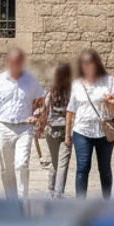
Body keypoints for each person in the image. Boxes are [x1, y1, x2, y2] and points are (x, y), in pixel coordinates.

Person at [0, 47, 45, 199]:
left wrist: (37, 115)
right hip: (4, 127)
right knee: (6, 168)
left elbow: (42, 101)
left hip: (24, 128)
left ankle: (22, 200)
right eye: (13, 62)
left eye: (19, 62)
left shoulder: (31, 80)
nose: (16, 65)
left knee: (21, 164)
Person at [65, 48, 114, 199]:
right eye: (83, 63)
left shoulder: (108, 80)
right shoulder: (77, 84)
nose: (87, 66)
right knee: (83, 168)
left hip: (104, 130)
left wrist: (111, 99)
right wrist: (67, 134)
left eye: (90, 62)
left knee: (104, 168)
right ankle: (80, 204)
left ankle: (106, 202)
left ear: (96, 63)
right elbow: (71, 109)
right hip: (82, 130)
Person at [42, 61, 73, 198]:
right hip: (66, 130)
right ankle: (59, 192)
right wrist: (68, 135)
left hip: (51, 130)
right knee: (63, 163)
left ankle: (51, 190)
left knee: (54, 162)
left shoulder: (50, 93)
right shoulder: (71, 93)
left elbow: (45, 111)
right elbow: (71, 113)